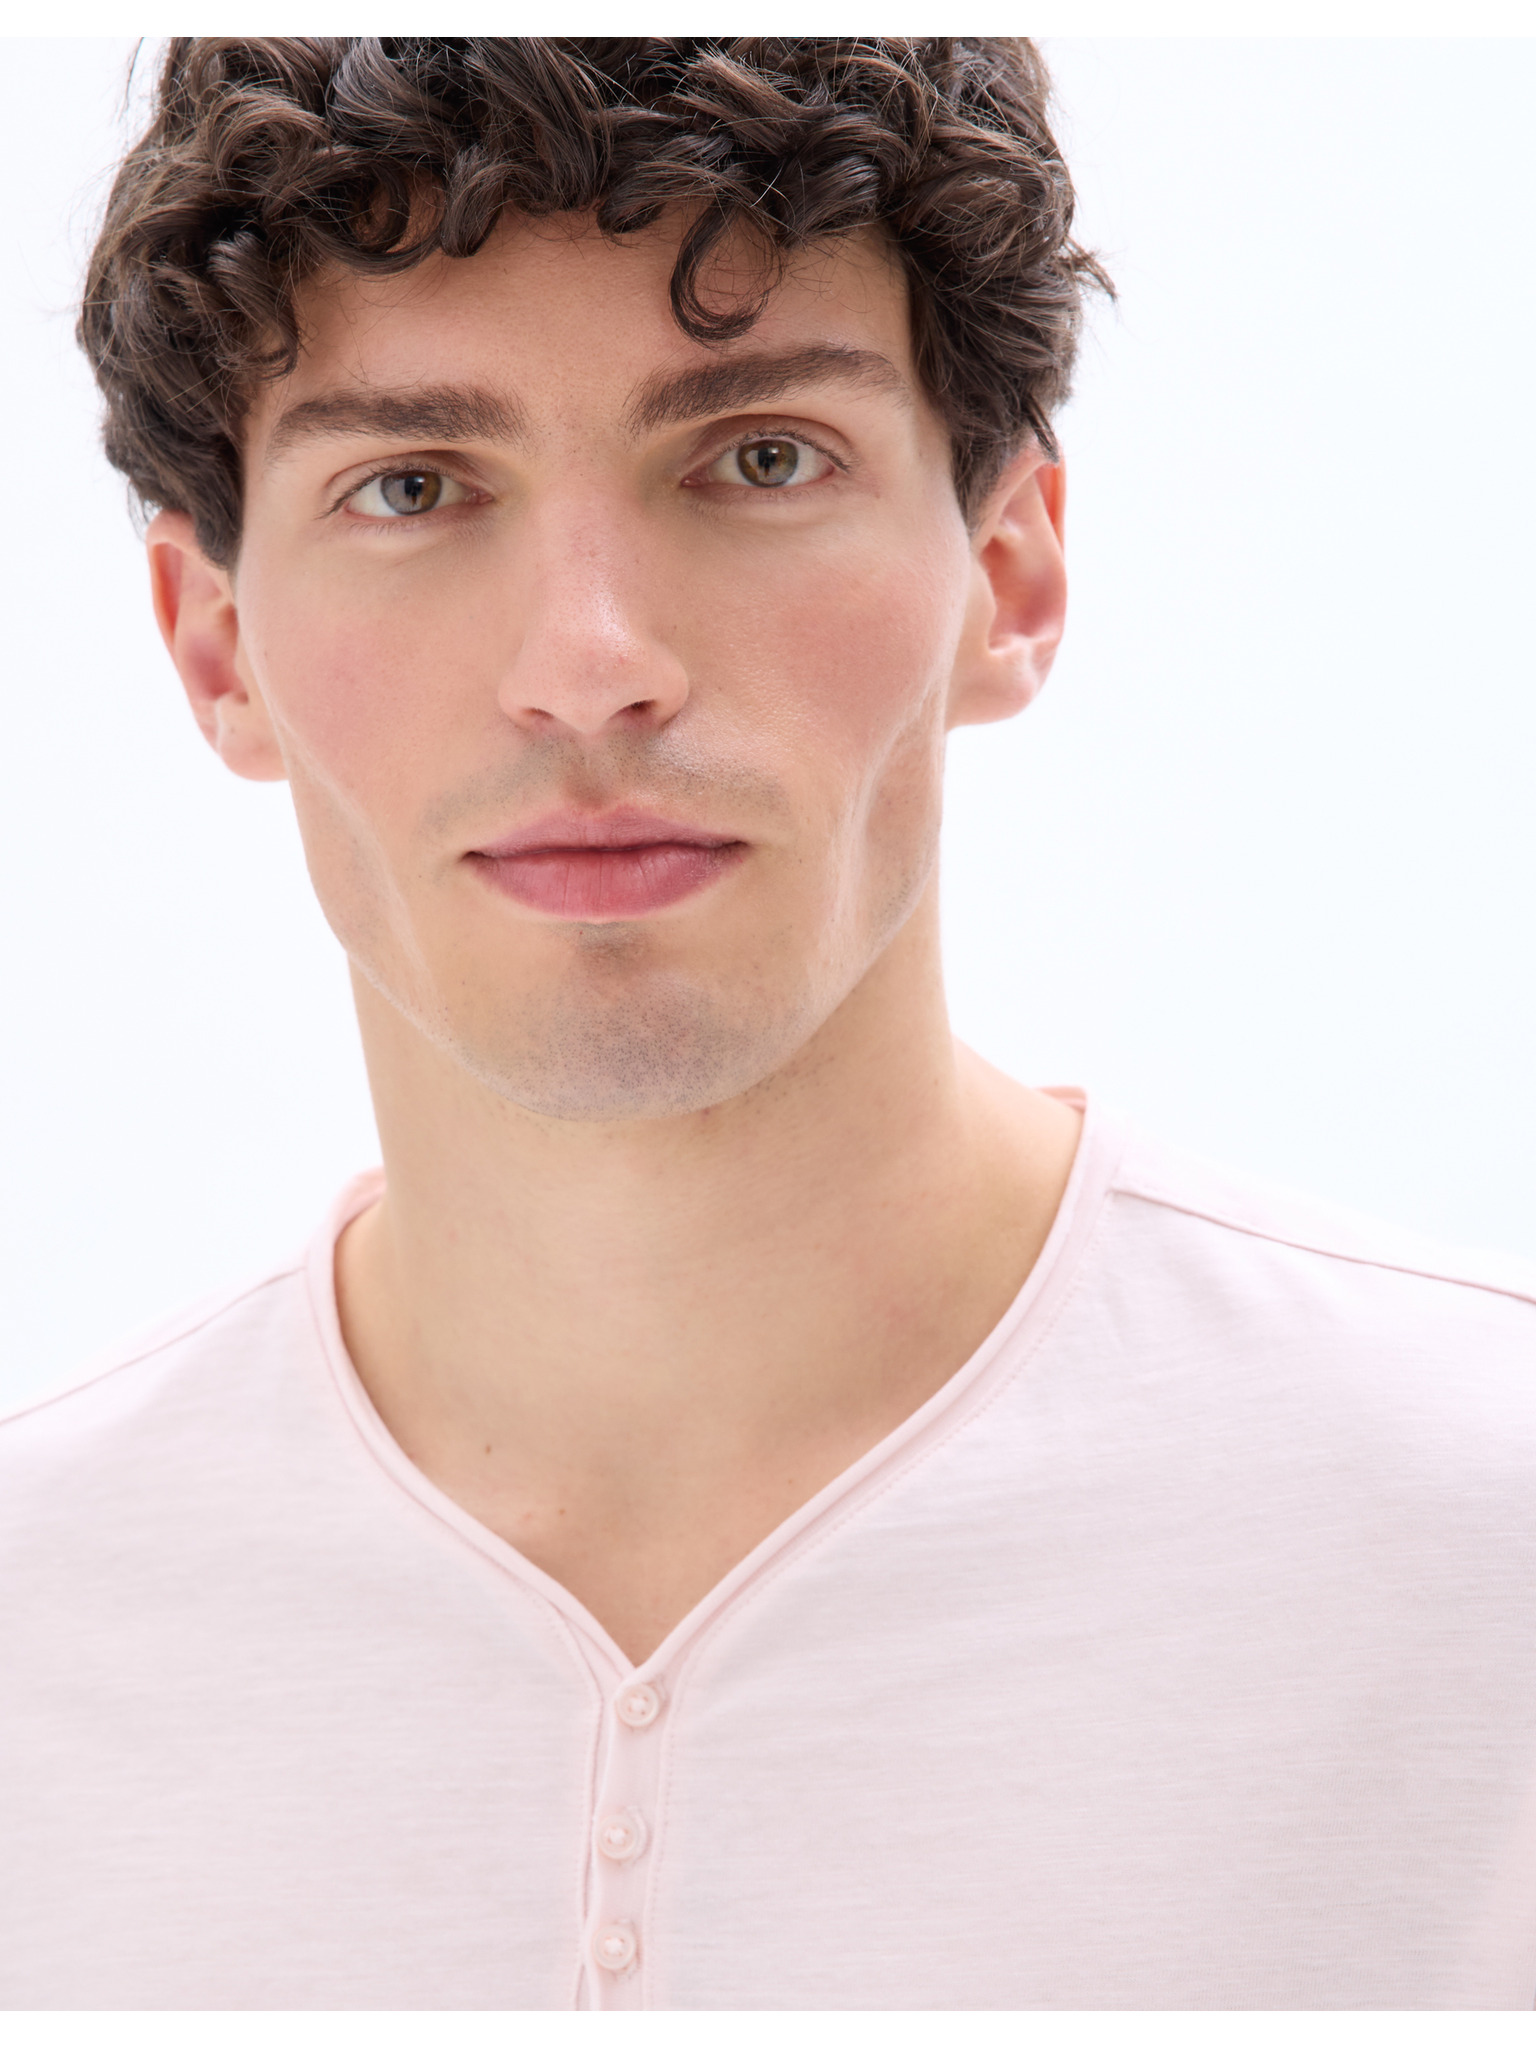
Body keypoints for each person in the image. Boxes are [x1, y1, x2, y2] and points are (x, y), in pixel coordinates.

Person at [2, 35, 1533, 2013]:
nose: (589, 667)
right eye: (412, 487)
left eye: (760, 459)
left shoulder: (1484, 1550)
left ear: (1007, 574)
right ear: (216, 646)